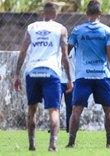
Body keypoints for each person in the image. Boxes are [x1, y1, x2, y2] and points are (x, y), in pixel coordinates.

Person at [13, 2, 73, 151]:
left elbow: (22, 51)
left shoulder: (32, 27)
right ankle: (52, 144)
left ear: (43, 13)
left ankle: (32, 144)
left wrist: (16, 75)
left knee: (32, 109)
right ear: (55, 13)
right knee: (53, 110)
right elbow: (65, 56)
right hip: (51, 71)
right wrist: (70, 79)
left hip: (32, 71)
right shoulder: (60, 29)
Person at [66, 0, 110, 149]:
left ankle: (71, 142)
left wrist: (67, 74)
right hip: (102, 75)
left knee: (76, 109)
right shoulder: (107, 31)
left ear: (86, 13)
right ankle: (109, 143)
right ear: (100, 13)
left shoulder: (78, 30)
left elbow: (66, 52)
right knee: (109, 109)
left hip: (83, 76)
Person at [60, 48, 75, 132]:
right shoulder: (56, 48)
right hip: (58, 80)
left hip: (71, 81)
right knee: (55, 104)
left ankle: (69, 128)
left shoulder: (74, 49)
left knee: (70, 106)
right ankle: (54, 127)